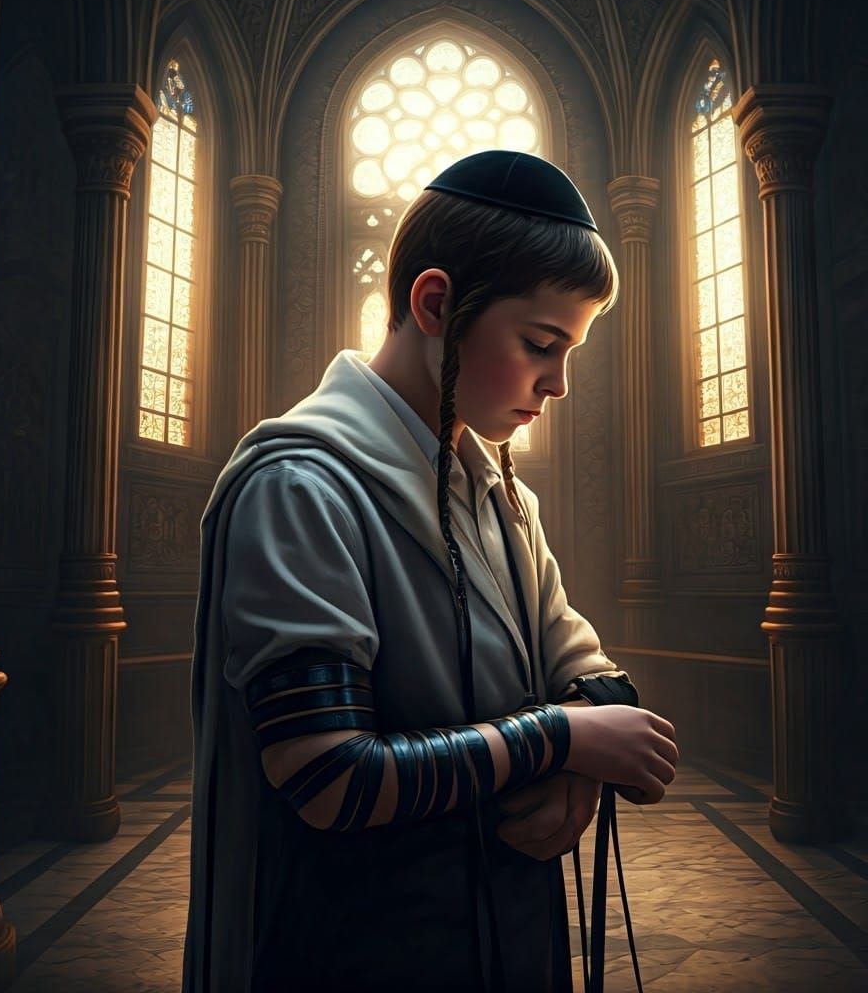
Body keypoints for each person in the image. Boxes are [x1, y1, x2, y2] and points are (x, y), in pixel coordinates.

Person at [183, 150, 679, 993]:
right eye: (539, 343)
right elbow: (326, 774)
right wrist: (558, 740)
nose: (558, 383)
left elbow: (593, 678)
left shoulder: (503, 497)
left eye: (571, 352)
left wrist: (576, 760)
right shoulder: (300, 487)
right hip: (351, 958)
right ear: (437, 303)